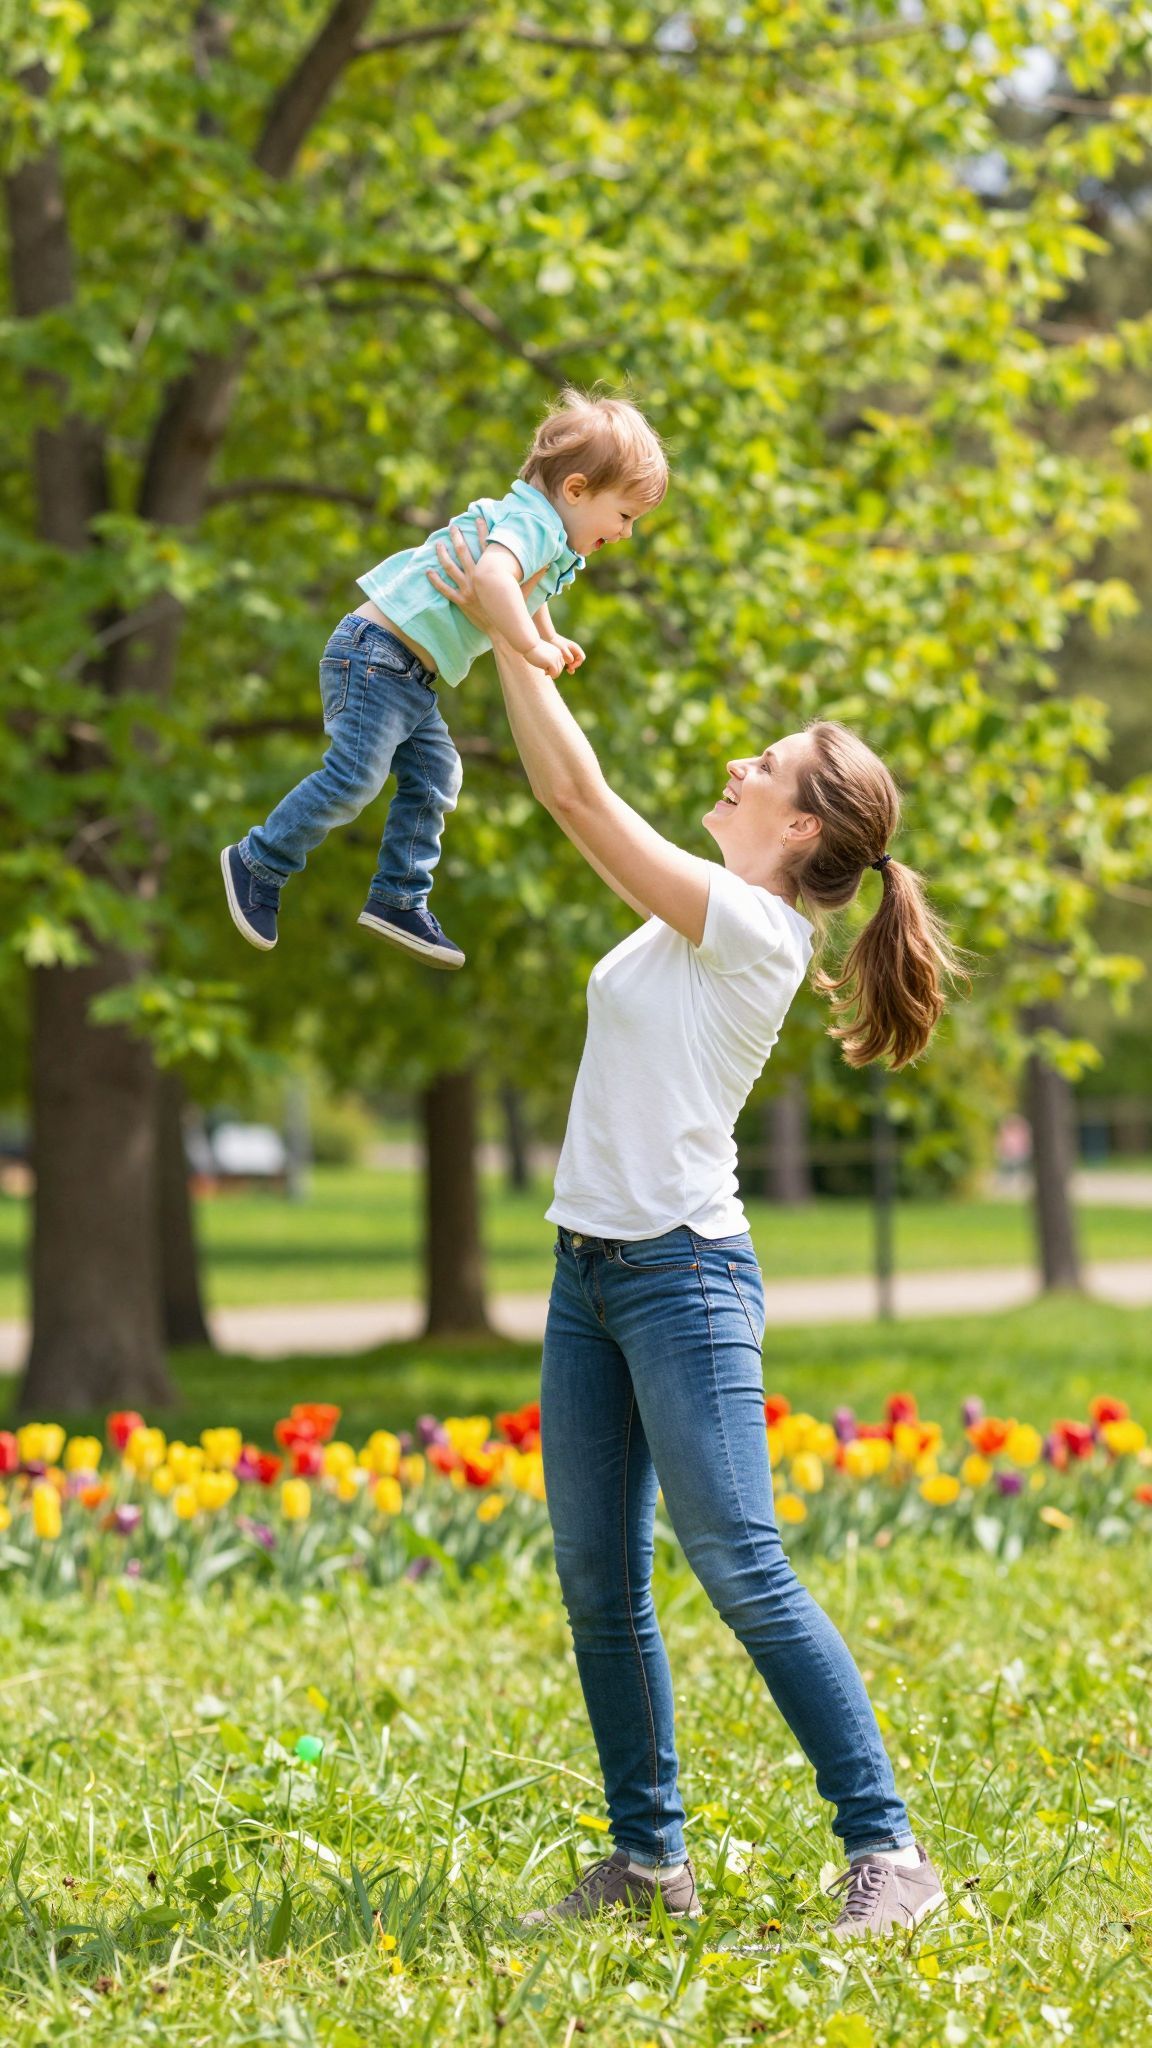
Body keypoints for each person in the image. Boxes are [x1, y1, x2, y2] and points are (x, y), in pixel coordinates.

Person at [428, 522, 963, 1940]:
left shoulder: (756, 931)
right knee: (602, 1584)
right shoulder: (694, 921)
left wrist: (499, 628)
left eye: (766, 766)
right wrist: (522, 630)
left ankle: (890, 1851)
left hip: (680, 1279)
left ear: (798, 830)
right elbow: (586, 805)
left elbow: (578, 800)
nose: (740, 763)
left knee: (742, 1566)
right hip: (587, 1272)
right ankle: (649, 1862)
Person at [220, 390, 667, 967]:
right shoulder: (532, 523)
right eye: (625, 515)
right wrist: (529, 646)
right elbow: (495, 578)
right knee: (357, 776)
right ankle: (259, 861)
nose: (627, 533)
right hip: (377, 655)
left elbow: (525, 587)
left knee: (436, 777)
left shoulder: (542, 533)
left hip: (405, 674)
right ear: (576, 490)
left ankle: (399, 898)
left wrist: (548, 633)